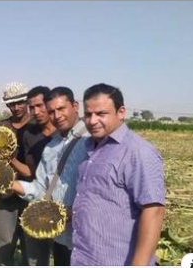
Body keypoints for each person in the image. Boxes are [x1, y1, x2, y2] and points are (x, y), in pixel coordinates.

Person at [71, 83, 165, 265]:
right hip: (84, 258)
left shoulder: (137, 151)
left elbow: (154, 210)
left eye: (101, 114)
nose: (92, 121)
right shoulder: (88, 148)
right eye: (88, 114)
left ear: (121, 112)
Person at [12, 86, 90, 266]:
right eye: (52, 111)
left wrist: (75, 211)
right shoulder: (50, 148)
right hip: (61, 237)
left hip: (87, 238)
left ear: (75, 106)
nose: (57, 116)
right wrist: (11, 184)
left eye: (61, 109)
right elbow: (41, 189)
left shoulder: (92, 138)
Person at [13, 86, 57, 266]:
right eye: (32, 108)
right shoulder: (27, 133)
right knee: (35, 257)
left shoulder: (65, 134)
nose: (36, 112)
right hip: (34, 198)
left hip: (62, 204)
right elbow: (29, 172)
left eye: (41, 105)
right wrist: (11, 162)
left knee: (64, 254)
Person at [0, 82, 33, 265]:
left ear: (27, 101)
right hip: (6, 194)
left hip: (34, 193)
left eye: (20, 102)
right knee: (4, 242)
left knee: (32, 245)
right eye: (11, 104)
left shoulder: (37, 125)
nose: (16, 107)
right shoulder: (1, 127)